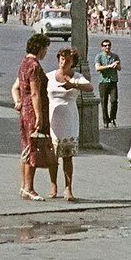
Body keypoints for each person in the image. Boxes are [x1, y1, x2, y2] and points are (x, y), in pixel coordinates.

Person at [46, 48, 92, 201]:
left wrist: (73, 85)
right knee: (52, 156)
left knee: (67, 156)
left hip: (69, 119)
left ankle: (68, 188)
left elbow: (90, 88)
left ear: (73, 63)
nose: (63, 61)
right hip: (52, 118)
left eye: (66, 59)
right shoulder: (50, 76)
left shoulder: (77, 77)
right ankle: (53, 185)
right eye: (61, 58)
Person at [14, 33, 53, 201]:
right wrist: (39, 116)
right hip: (33, 110)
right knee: (33, 148)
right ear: (40, 49)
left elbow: (16, 87)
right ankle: (30, 188)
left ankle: (23, 186)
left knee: (26, 147)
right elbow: (36, 93)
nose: (46, 52)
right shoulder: (35, 66)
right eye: (45, 49)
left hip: (24, 110)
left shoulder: (24, 63)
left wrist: (18, 102)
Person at [94, 39, 122, 127]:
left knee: (114, 101)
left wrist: (116, 65)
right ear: (102, 47)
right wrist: (109, 66)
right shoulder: (99, 56)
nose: (107, 47)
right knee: (104, 102)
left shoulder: (115, 56)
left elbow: (119, 68)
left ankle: (113, 118)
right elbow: (97, 68)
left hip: (113, 81)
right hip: (103, 81)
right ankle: (106, 121)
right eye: (105, 46)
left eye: (109, 45)